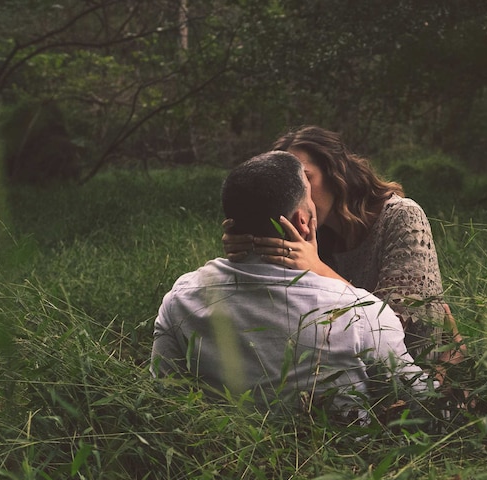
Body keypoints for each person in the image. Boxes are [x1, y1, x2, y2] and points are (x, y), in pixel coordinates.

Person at [151, 151, 431, 419]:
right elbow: (424, 407)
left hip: (219, 462)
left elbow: (164, 400)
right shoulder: (362, 315)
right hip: (343, 464)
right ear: (302, 222)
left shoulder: (180, 300)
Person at [223, 126, 464, 365]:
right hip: (342, 379)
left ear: (335, 173)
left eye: (305, 179)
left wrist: (316, 268)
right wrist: (246, 249)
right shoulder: (308, 233)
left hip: (416, 380)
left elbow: (393, 329)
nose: (296, 194)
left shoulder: (401, 217)